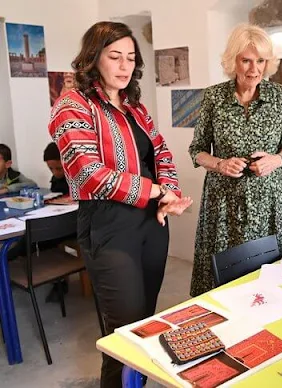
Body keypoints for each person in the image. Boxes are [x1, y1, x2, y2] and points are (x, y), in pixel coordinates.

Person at [48, 21, 192, 387]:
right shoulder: (72, 105)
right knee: (123, 332)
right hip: (108, 225)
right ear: (93, 59)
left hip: (151, 223)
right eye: (115, 56)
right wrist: (156, 192)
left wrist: (170, 193)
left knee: (145, 324)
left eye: (131, 57)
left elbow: (160, 150)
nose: (125, 65)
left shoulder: (134, 107)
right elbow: (89, 172)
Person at [189, 23, 282, 297]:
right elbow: (197, 149)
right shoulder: (214, 97)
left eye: (260, 61)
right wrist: (220, 164)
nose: (254, 69)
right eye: (246, 60)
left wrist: (276, 160)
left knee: (272, 279)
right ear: (233, 61)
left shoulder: (277, 95)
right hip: (225, 202)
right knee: (229, 282)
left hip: (269, 199)